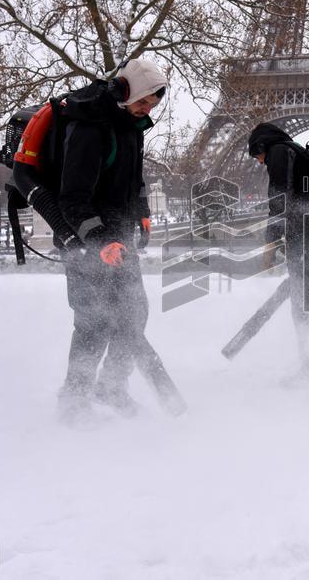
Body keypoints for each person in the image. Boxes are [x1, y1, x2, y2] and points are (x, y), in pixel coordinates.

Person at [54, 57, 184, 424]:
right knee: (93, 323)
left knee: (134, 314)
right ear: (124, 91)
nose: (146, 109)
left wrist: (141, 211)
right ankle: (74, 401)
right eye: (142, 101)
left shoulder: (131, 126)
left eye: (152, 105)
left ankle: (111, 386)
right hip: (87, 240)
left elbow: (133, 179)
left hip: (120, 240)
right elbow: (72, 197)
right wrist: (99, 240)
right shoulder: (90, 128)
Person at [248, 122, 309, 377]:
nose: (259, 162)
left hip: (308, 242)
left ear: (262, 146)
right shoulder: (299, 153)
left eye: (257, 156)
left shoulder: (278, 151)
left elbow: (279, 200)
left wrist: (270, 242)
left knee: (304, 305)